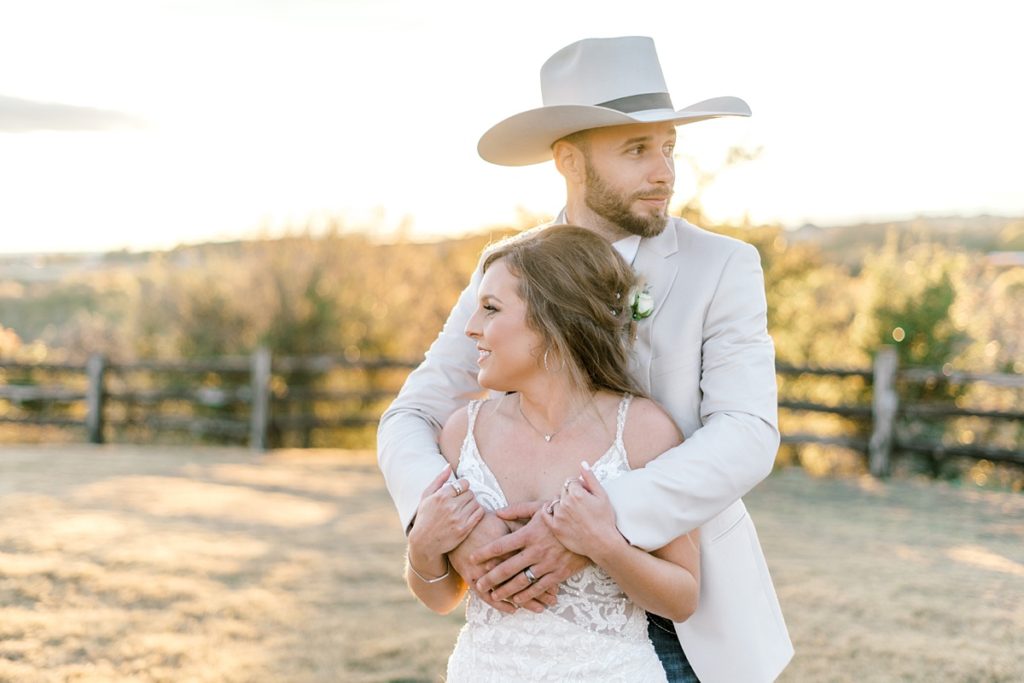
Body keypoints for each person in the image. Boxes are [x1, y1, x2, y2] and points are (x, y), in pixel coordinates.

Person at [379, 36, 793, 682]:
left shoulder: (724, 267)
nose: (664, 172)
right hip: (524, 620)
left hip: (693, 613)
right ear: (569, 160)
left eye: (668, 148)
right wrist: (449, 525)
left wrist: (590, 527)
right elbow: (411, 415)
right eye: (636, 150)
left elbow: (747, 434)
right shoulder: (506, 273)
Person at [407, 226, 698, 681]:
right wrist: (422, 546)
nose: (471, 327)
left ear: (552, 321)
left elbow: (682, 597)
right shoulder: (463, 431)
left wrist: (604, 545)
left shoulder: (644, 431)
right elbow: (442, 597)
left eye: (491, 309)